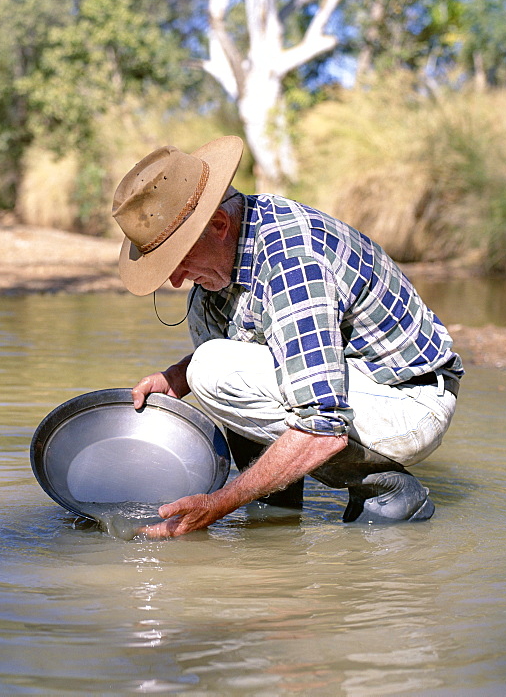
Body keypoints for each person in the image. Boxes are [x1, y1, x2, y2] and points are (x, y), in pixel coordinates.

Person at [111, 136, 462, 538]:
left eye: (178, 259)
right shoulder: (240, 238)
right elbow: (273, 341)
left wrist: (221, 503)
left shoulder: (293, 263)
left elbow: (321, 427)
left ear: (219, 225)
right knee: (205, 357)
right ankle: (274, 515)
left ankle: (381, 486)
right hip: (355, 383)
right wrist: (176, 376)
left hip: (409, 401)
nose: (174, 279)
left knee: (212, 370)